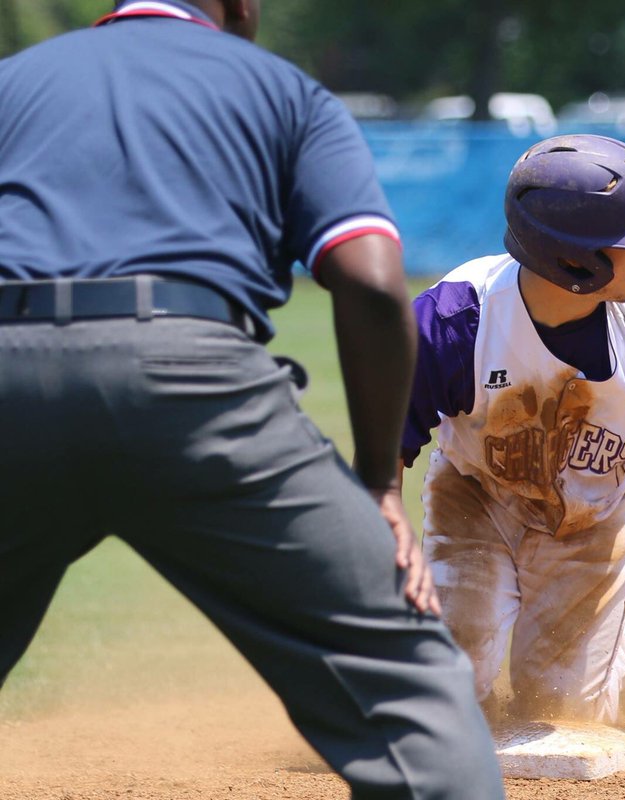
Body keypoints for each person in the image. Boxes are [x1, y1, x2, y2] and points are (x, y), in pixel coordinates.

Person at [0, 2, 505, 797]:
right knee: (408, 692)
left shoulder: (13, 83)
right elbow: (374, 286)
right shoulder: (285, 93)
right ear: (239, 4)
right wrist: (378, 483)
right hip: (195, 387)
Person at [400, 134, 625, 726]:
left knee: (559, 710)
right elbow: (381, 458)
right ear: (574, 259)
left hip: (594, 517)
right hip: (473, 502)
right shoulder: (453, 321)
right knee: (445, 697)